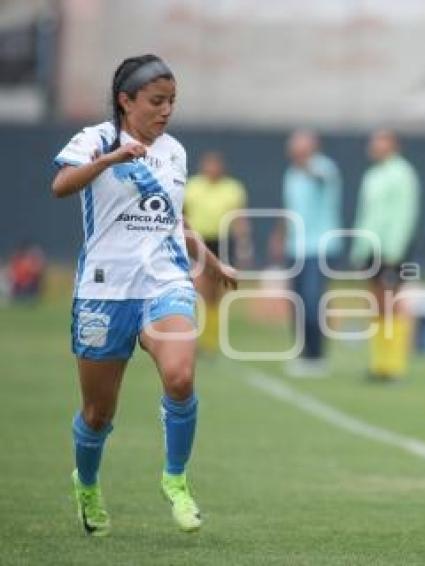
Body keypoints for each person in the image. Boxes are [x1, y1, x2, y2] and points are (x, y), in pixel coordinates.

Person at [51, 54, 237, 536]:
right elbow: (60, 186)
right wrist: (111, 159)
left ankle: (175, 480)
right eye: (156, 101)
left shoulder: (174, 152)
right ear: (125, 100)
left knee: (180, 377)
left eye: (172, 102)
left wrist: (212, 262)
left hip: (164, 282)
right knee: (98, 413)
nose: (166, 111)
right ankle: (87, 484)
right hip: (104, 291)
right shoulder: (95, 139)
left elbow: (171, 216)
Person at [270, 130, 342, 376]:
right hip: (295, 247)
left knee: (312, 300)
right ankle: (303, 353)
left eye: (299, 147)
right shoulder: (290, 173)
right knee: (297, 303)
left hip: (319, 247)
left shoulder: (325, 167)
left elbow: (319, 179)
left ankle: (317, 355)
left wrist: (305, 162)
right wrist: (279, 236)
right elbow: (289, 208)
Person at [350, 130, 420, 382]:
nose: (374, 145)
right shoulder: (372, 175)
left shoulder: (402, 173)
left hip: (391, 249)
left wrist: (395, 251)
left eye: (380, 140)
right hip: (371, 248)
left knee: (392, 304)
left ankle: (394, 366)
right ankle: (379, 364)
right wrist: (359, 247)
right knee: (377, 305)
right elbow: (365, 214)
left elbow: (404, 214)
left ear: (393, 145)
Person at [183, 151, 252, 353]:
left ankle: (210, 340)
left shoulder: (232, 188)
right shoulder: (193, 187)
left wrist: (244, 247)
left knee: (216, 293)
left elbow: (240, 220)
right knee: (200, 290)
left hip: (222, 241)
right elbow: (182, 216)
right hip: (199, 241)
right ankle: (199, 336)